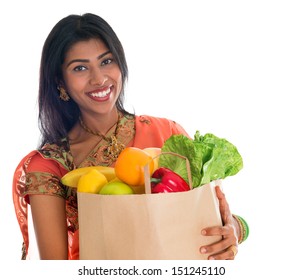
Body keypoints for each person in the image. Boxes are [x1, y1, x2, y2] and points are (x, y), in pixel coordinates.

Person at [12, 13, 249, 260]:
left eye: (106, 61)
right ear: (60, 81)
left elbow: (218, 218)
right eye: (80, 68)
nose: (99, 78)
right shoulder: (50, 166)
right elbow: (55, 270)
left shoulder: (167, 134)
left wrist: (234, 229)